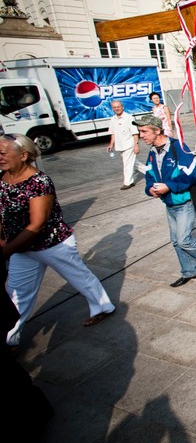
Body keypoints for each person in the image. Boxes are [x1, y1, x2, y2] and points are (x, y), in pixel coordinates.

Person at [1, 134, 116, 349]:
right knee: (16, 295)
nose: (0, 157)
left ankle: (102, 306)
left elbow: (37, 224)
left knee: (79, 276)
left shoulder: (39, 181)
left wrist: (6, 251)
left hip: (53, 244)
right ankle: (10, 339)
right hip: (21, 249)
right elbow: (2, 211)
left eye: (3, 153)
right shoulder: (3, 178)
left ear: (23, 155)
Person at [134, 114, 196, 288]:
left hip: (184, 203)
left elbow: (190, 174)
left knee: (183, 239)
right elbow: (149, 174)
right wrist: (150, 188)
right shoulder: (152, 152)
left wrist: (169, 186)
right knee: (175, 240)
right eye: (140, 131)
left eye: (144, 131)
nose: (141, 135)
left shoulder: (178, 147)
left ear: (157, 131)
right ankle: (189, 271)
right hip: (169, 204)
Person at [107, 99, 140, 190]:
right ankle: (151, 171)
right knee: (134, 163)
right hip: (120, 145)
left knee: (127, 164)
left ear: (122, 107)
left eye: (118, 107)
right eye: (114, 107)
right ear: (112, 109)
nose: (117, 109)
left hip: (129, 144)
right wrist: (111, 144)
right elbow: (113, 133)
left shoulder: (129, 118)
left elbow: (135, 132)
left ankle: (128, 182)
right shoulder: (113, 119)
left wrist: (136, 145)